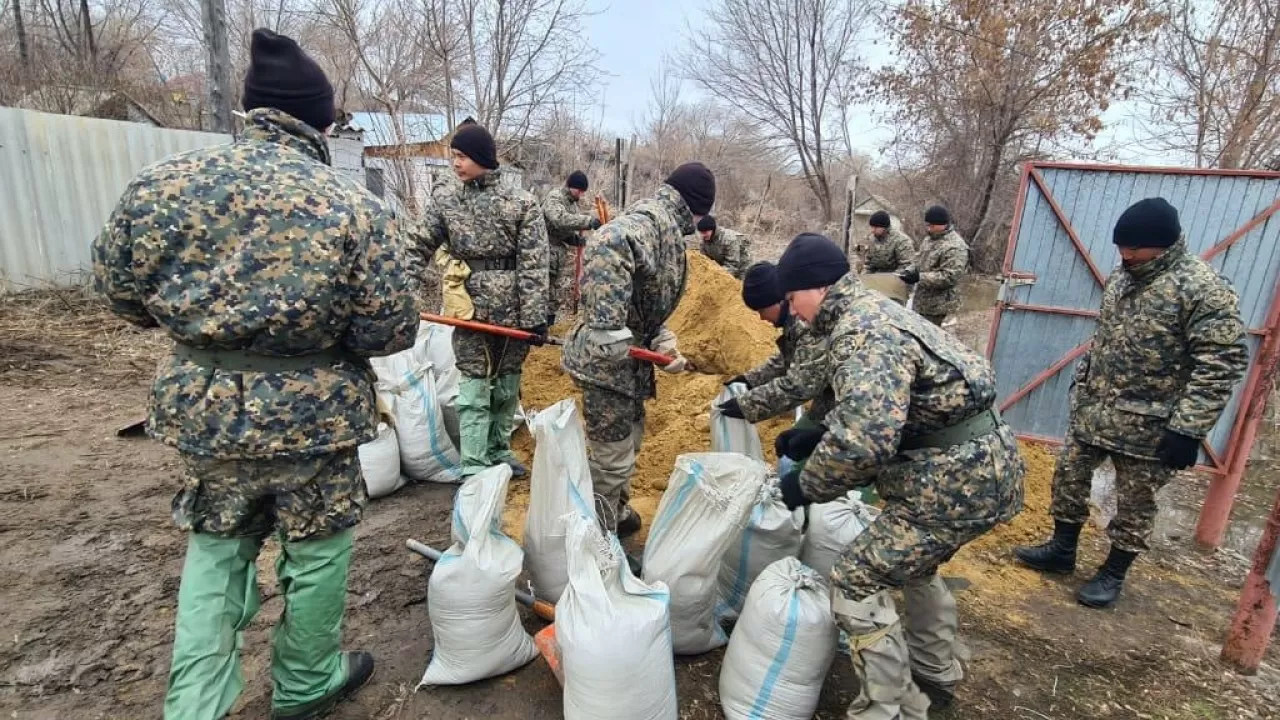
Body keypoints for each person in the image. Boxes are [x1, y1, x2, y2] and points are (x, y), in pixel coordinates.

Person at [91, 29, 418, 720]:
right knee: (319, 546)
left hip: (206, 407)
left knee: (217, 546)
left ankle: (195, 707)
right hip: (314, 412)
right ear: (322, 120)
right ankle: (305, 685)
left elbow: (118, 293)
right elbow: (390, 329)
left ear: (251, 109)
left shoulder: (161, 186)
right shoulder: (351, 205)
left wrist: (202, 326)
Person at [773, 232, 1024, 718]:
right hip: (981, 470)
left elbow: (866, 443)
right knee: (915, 565)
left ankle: (887, 710)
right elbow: (896, 401)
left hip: (952, 484)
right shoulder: (874, 310)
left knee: (853, 580)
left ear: (818, 288)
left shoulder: (861, 332)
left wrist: (804, 484)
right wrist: (820, 429)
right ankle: (936, 673)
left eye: (792, 296)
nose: (792, 308)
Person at [1015, 198, 1246, 608]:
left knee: (1135, 503)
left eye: (1134, 249)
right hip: (1095, 410)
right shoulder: (1124, 277)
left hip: (1151, 425)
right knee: (1068, 477)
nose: (1125, 255)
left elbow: (1221, 364)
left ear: (1163, 245)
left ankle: (1113, 572)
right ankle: (1062, 549)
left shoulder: (1204, 291)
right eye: (1121, 248)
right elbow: (1106, 338)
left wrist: (1188, 428)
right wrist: (1083, 381)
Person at [562, 163, 713, 537]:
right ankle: (597, 537)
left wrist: (661, 336)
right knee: (612, 456)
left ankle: (615, 508)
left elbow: (642, 298)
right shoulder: (653, 220)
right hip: (606, 364)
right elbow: (609, 243)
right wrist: (607, 324)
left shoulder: (664, 226)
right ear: (695, 208)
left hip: (626, 364)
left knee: (629, 440)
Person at [413, 122, 549, 478]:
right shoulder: (446, 199)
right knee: (473, 384)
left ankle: (498, 451)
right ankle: (473, 466)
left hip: (514, 309)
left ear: (483, 157)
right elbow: (418, 246)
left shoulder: (521, 202)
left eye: (462, 156)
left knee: (506, 383)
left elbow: (534, 262)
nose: (456, 163)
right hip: (467, 307)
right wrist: (400, 288)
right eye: (453, 156)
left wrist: (535, 317)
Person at [542, 170, 602, 318]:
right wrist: (588, 221)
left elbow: (564, 228)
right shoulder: (555, 198)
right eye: (579, 190)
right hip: (544, 253)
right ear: (571, 186)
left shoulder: (573, 205)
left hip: (558, 256)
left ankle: (549, 319)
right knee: (543, 289)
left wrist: (574, 239)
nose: (581, 195)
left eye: (583, 192)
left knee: (554, 292)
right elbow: (559, 219)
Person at [899, 205, 968, 326]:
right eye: (927, 225)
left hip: (940, 308)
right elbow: (919, 260)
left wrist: (919, 277)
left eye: (932, 226)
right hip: (922, 303)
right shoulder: (928, 240)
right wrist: (909, 271)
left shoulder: (955, 246)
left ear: (944, 224)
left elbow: (949, 277)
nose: (928, 229)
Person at [859, 210, 916, 274]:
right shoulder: (871, 239)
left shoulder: (901, 240)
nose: (872, 230)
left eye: (875, 227)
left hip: (896, 279)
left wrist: (889, 278)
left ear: (884, 227)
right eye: (871, 227)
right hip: (875, 278)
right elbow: (868, 264)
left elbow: (907, 266)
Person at [695, 214, 751, 279]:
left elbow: (732, 265)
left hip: (742, 268)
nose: (703, 235)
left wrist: (715, 274)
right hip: (722, 266)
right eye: (701, 232)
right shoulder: (704, 241)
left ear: (712, 229)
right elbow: (704, 261)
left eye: (705, 232)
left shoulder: (729, 239)